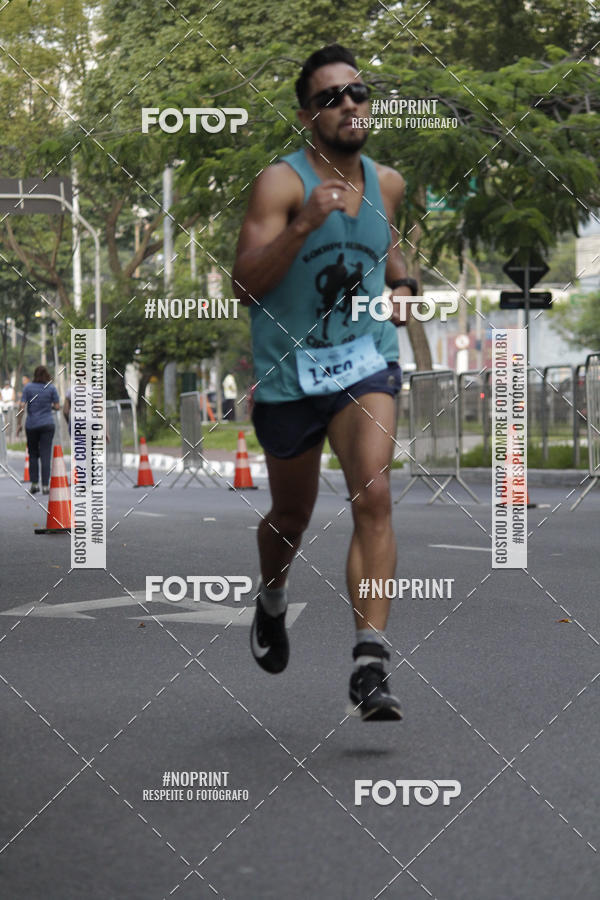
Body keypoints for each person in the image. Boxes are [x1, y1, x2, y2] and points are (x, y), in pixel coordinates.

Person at [232, 44, 418, 721]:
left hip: (365, 361)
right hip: (291, 374)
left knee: (374, 492)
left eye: (358, 93)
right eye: (330, 98)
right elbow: (244, 285)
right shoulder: (280, 185)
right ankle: (272, 596)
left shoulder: (387, 183)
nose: (349, 105)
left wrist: (403, 284)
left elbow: (387, 246)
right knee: (291, 517)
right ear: (308, 116)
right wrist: (306, 223)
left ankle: (370, 661)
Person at [17, 365, 60, 494]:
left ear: (35, 375)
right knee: (46, 455)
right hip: (47, 424)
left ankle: (35, 484)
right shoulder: (51, 388)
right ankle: (46, 486)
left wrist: (19, 424)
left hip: (32, 425)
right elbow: (57, 406)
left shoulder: (28, 388)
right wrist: (49, 406)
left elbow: (21, 406)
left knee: (33, 454)